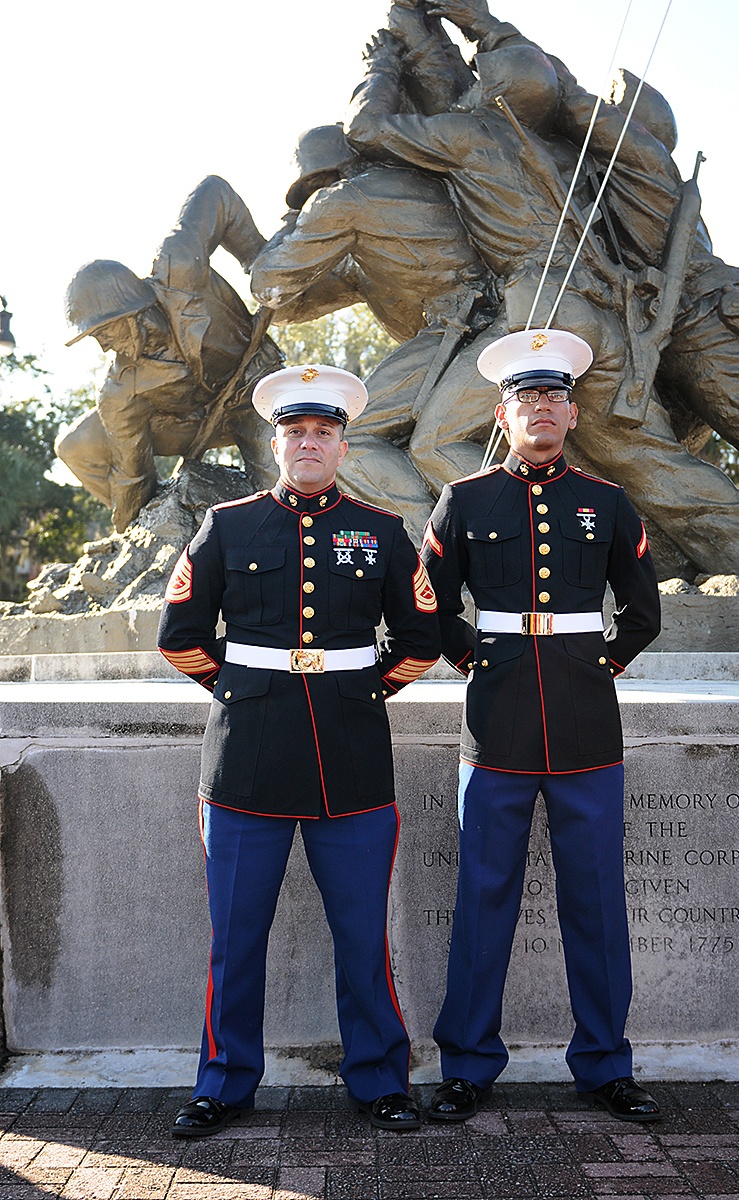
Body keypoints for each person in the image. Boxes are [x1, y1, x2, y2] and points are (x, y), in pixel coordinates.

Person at [346, 2, 739, 584]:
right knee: (644, 456)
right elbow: (499, 86)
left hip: (567, 311)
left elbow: (374, 127)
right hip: (599, 317)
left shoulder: (592, 149)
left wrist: (384, 62)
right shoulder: (561, 154)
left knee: (438, 441)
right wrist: (452, 27)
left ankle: (514, 564)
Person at [158, 363, 441, 1135]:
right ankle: (222, 1083)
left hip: (350, 761)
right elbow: (179, 638)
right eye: (295, 432)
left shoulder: (383, 531)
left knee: (363, 937)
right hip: (245, 759)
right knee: (235, 937)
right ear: (275, 443)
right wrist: (242, 690)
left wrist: (359, 691)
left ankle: (381, 1078)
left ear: (342, 446)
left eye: (322, 432)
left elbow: (421, 640)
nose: (308, 443)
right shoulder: (228, 524)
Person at [419, 328, 662, 1123]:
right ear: (503, 412)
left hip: (589, 724)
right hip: (497, 722)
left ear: (573, 412)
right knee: (485, 893)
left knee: (596, 899)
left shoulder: (610, 503)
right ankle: (468, 1063)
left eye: (554, 396)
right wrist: (472, 660)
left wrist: (602, 666)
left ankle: (603, 1062)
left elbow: (642, 611)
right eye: (527, 397)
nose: (542, 408)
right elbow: (430, 602)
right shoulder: (465, 499)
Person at [250, 123, 495, 544]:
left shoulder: (348, 200)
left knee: (351, 435)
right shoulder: (384, 206)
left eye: (312, 193)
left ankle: (432, 544)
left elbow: (268, 283)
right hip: (463, 327)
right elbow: (289, 305)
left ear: (322, 181)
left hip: (465, 327)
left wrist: (294, 225)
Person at [59, 175, 282, 532]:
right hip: (190, 423)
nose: (103, 346)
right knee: (76, 445)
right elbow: (132, 472)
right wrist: (136, 528)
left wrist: (261, 263)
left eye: (104, 331)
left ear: (129, 310)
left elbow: (215, 193)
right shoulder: (119, 389)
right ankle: (166, 517)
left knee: (279, 482)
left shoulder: (178, 266)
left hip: (253, 389)